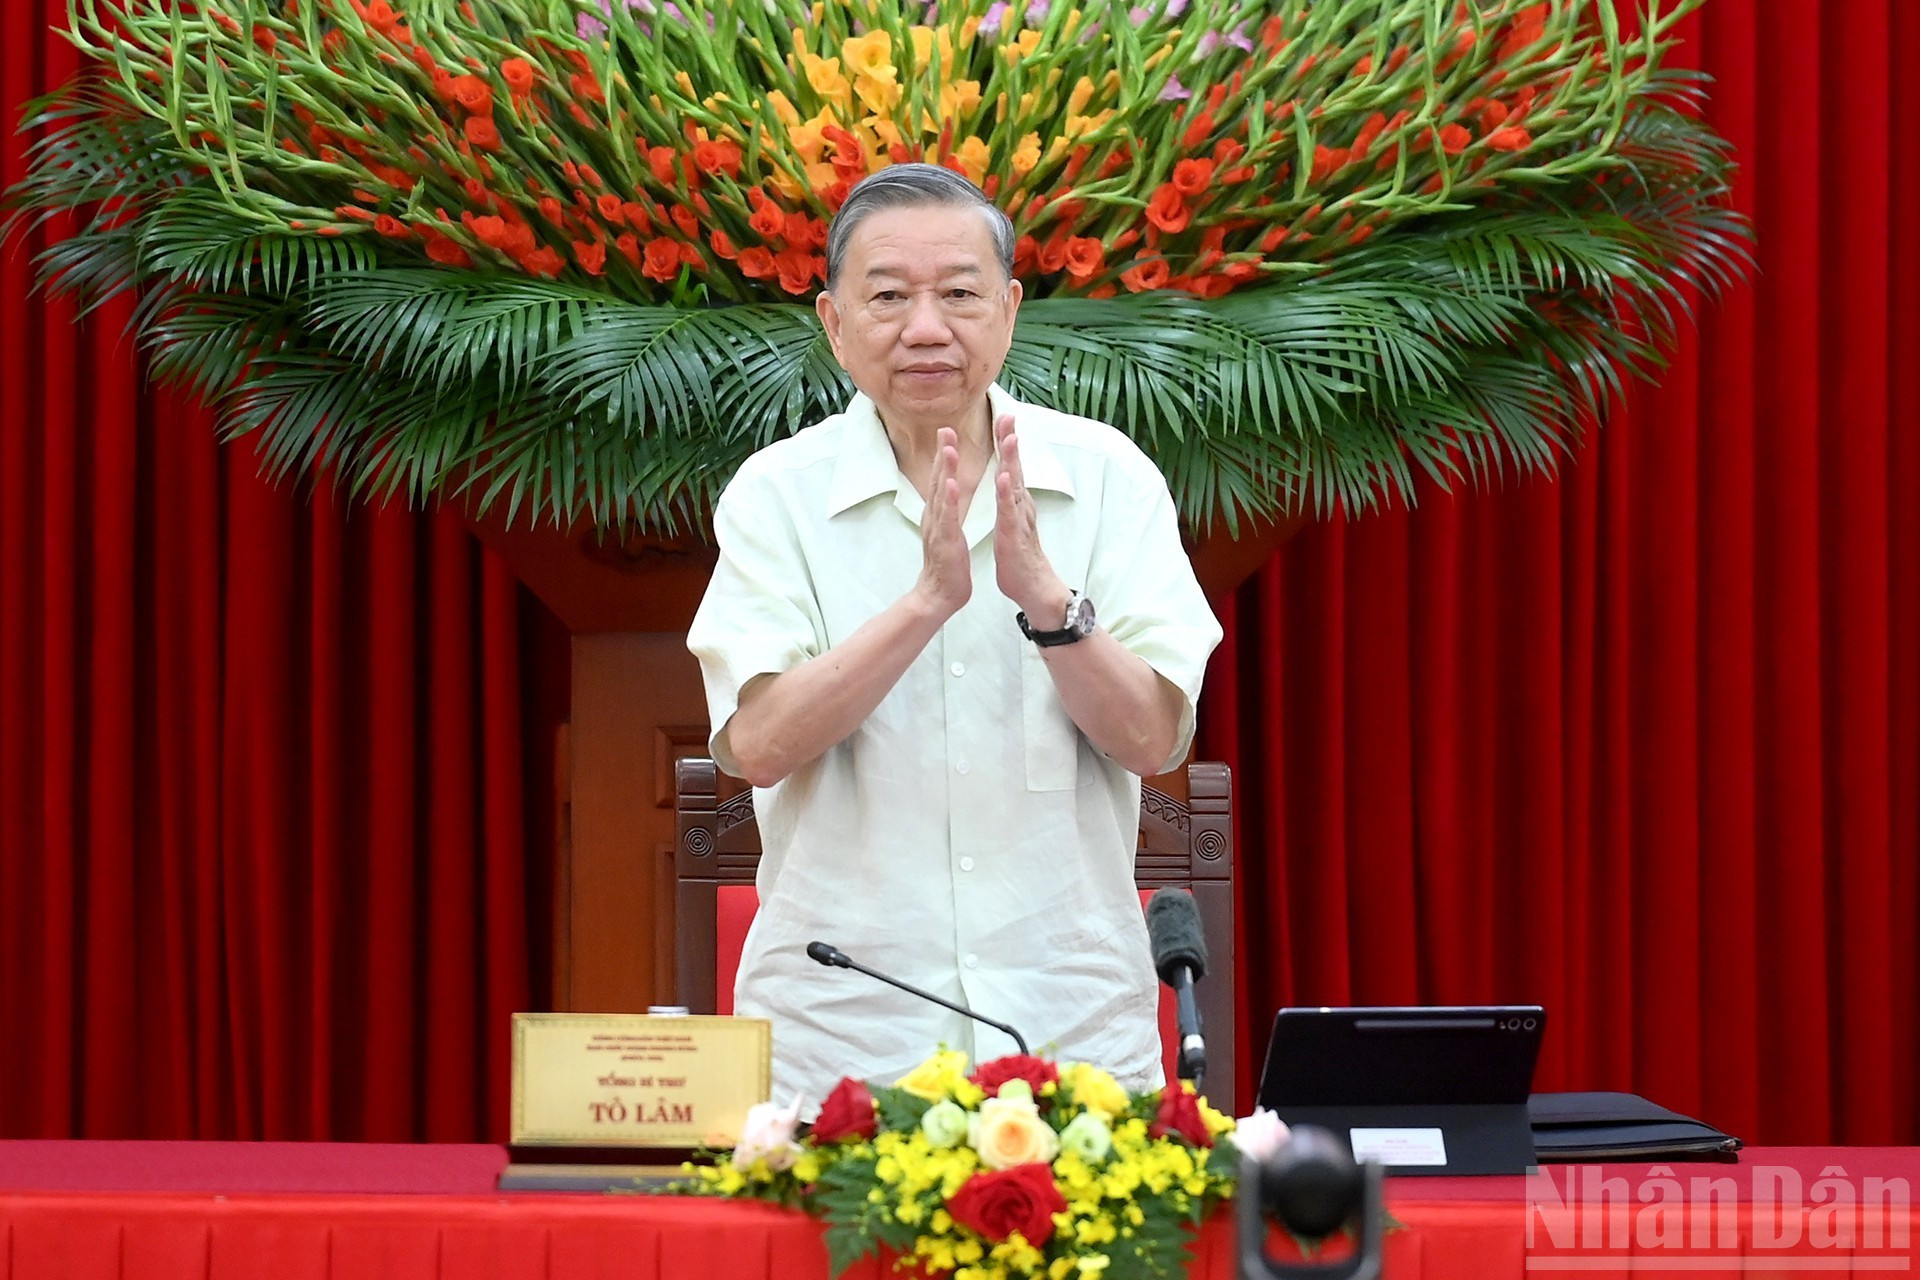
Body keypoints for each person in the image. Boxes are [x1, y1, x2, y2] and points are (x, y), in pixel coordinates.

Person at [686, 164, 1222, 1107]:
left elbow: (1153, 739)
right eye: (889, 296)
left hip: (1069, 1032)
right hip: (845, 1032)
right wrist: (924, 603)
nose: (925, 326)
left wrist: (1050, 607)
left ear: (1009, 311)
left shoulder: (1107, 480)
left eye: (960, 294)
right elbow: (759, 748)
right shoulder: (778, 494)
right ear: (835, 325)